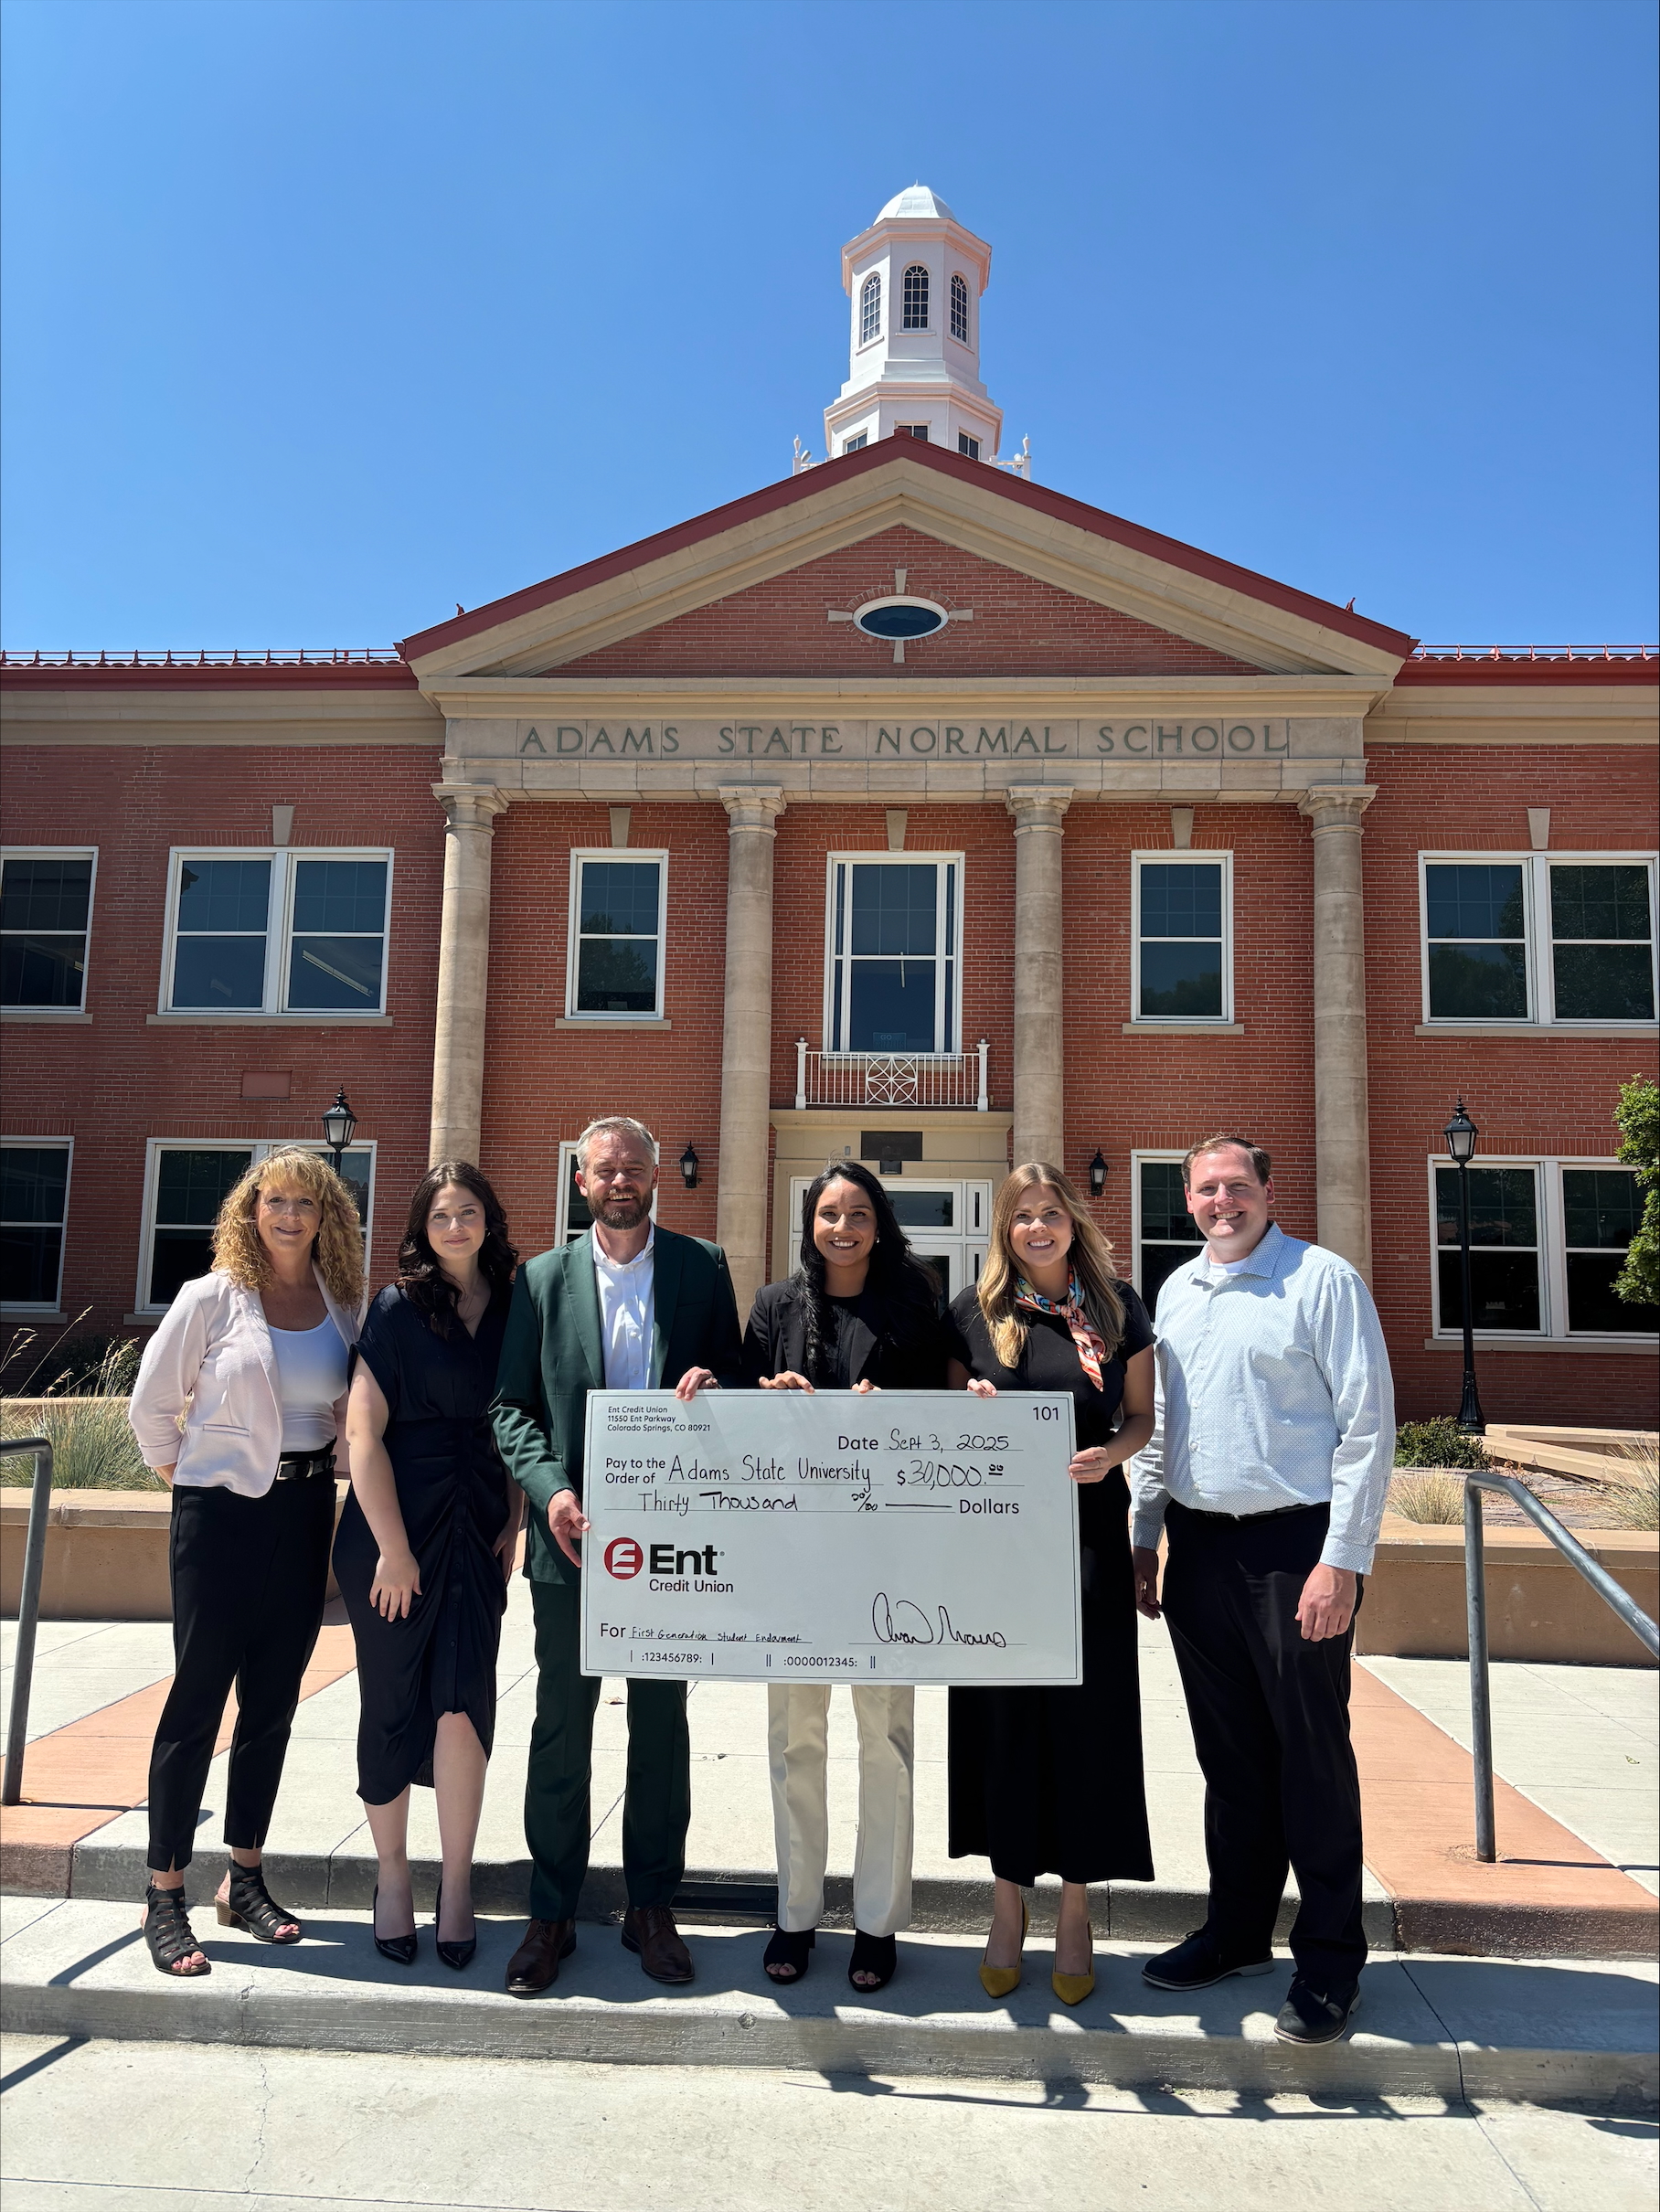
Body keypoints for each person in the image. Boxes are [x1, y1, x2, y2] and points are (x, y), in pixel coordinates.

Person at [1129, 1134, 1394, 2047]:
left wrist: (1341, 1559)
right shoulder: (1175, 1291)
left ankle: (1328, 1958)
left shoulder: (1321, 1280)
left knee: (1311, 1757)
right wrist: (1143, 1533)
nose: (1220, 1201)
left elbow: (1366, 1425)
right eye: (1205, 1189)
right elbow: (1162, 1426)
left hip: (1296, 1546)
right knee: (1231, 1759)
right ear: (1189, 1198)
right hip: (1199, 1547)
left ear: (1268, 1189)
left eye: (1236, 1185)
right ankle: (1238, 1930)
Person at [492, 1116, 743, 1994]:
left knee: (660, 1727)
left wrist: (716, 1384)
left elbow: (740, 1385)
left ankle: (650, 1906)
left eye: (635, 1167)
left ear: (654, 1179)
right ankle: (550, 1912)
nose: (622, 1180)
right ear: (581, 1182)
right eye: (606, 1170)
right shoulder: (540, 1280)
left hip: (670, 1545)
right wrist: (550, 1489)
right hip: (573, 1543)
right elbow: (510, 1409)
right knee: (562, 1726)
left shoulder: (701, 1270)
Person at [128, 1146, 363, 1978]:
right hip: (219, 1516)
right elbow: (151, 1406)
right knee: (197, 1701)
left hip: (304, 1514)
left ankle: (245, 1878)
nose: (289, 1213)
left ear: (327, 1212)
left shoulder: (341, 1303)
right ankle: (164, 1891)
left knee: (271, 1702)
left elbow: (347, 1410)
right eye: (274, 1200)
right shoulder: (212, 1297)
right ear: (250, 1209)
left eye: (306, 1200)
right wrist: (197, 1484)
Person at [943, 1162, 1156, 2007]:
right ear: (1005, 1227)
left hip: (1087, 1536)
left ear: (1074, 1221)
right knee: (1003, 1719)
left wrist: (1110, 1457)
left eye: (1051, 1213)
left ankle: (1074, 1910)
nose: (1038, 1227)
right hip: (994, 1544)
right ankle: (1006, 1906)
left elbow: (1137, 1416)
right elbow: (945, 1411)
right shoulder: (974, 1312)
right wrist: (973, 1403)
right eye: (1023, 1216)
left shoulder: (1115, 1308)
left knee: (1086, 1719)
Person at [742, 1160, 951, 1993]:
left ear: (880, 1222)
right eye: (828, 1213)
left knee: (885, 1741)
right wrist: (768, 1392)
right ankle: (795, 1913)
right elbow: (737, 1411)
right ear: (810, 1222)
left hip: (887, 1557)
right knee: (794, 1738)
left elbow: (941, 1411)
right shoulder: (775, 1306)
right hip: (793, 1554)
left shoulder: (915, 1303)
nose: (842, 1227)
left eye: (857, 1212)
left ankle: (876, 1922)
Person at [335, 1163, 523, 1972]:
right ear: (421, 1228)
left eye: (469, 1213)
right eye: (441, 1215)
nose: (455, 1227)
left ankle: (455, 1884)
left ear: (489, 1222)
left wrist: (513, 1514)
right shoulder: (394, 1309)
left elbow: (525, 1413)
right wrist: (395, 1548)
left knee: (461, 1702)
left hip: (476, 1527)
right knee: (392, 1704)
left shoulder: (518, 1303)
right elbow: (362, 1435)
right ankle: (391, 1879)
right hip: (394, 1534)